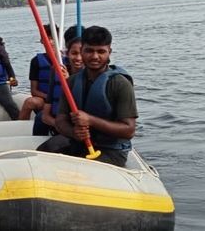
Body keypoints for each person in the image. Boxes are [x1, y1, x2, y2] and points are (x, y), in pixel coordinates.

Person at [38, 26, 138, 167]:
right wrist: (73, 132)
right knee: (42, 153)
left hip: (110, 151)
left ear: (109, 52)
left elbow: (129, 130)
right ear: (82, 50)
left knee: (81, 169)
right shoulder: (72, 82)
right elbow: (60, 120)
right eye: (89, 50)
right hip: (78, 142)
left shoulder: (120, 84)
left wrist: (91, 120)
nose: (95, 56)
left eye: (101, 51)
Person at [19, 24, 62, 121]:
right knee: (29, 102)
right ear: (42, 40)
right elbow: (34, 91)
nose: (50, 42)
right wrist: (50, 98)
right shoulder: (36, 61)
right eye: (47, 38)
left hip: (63, 99)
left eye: (52, 38)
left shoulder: (66, 59)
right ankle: (22, 127)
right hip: (46, 99)